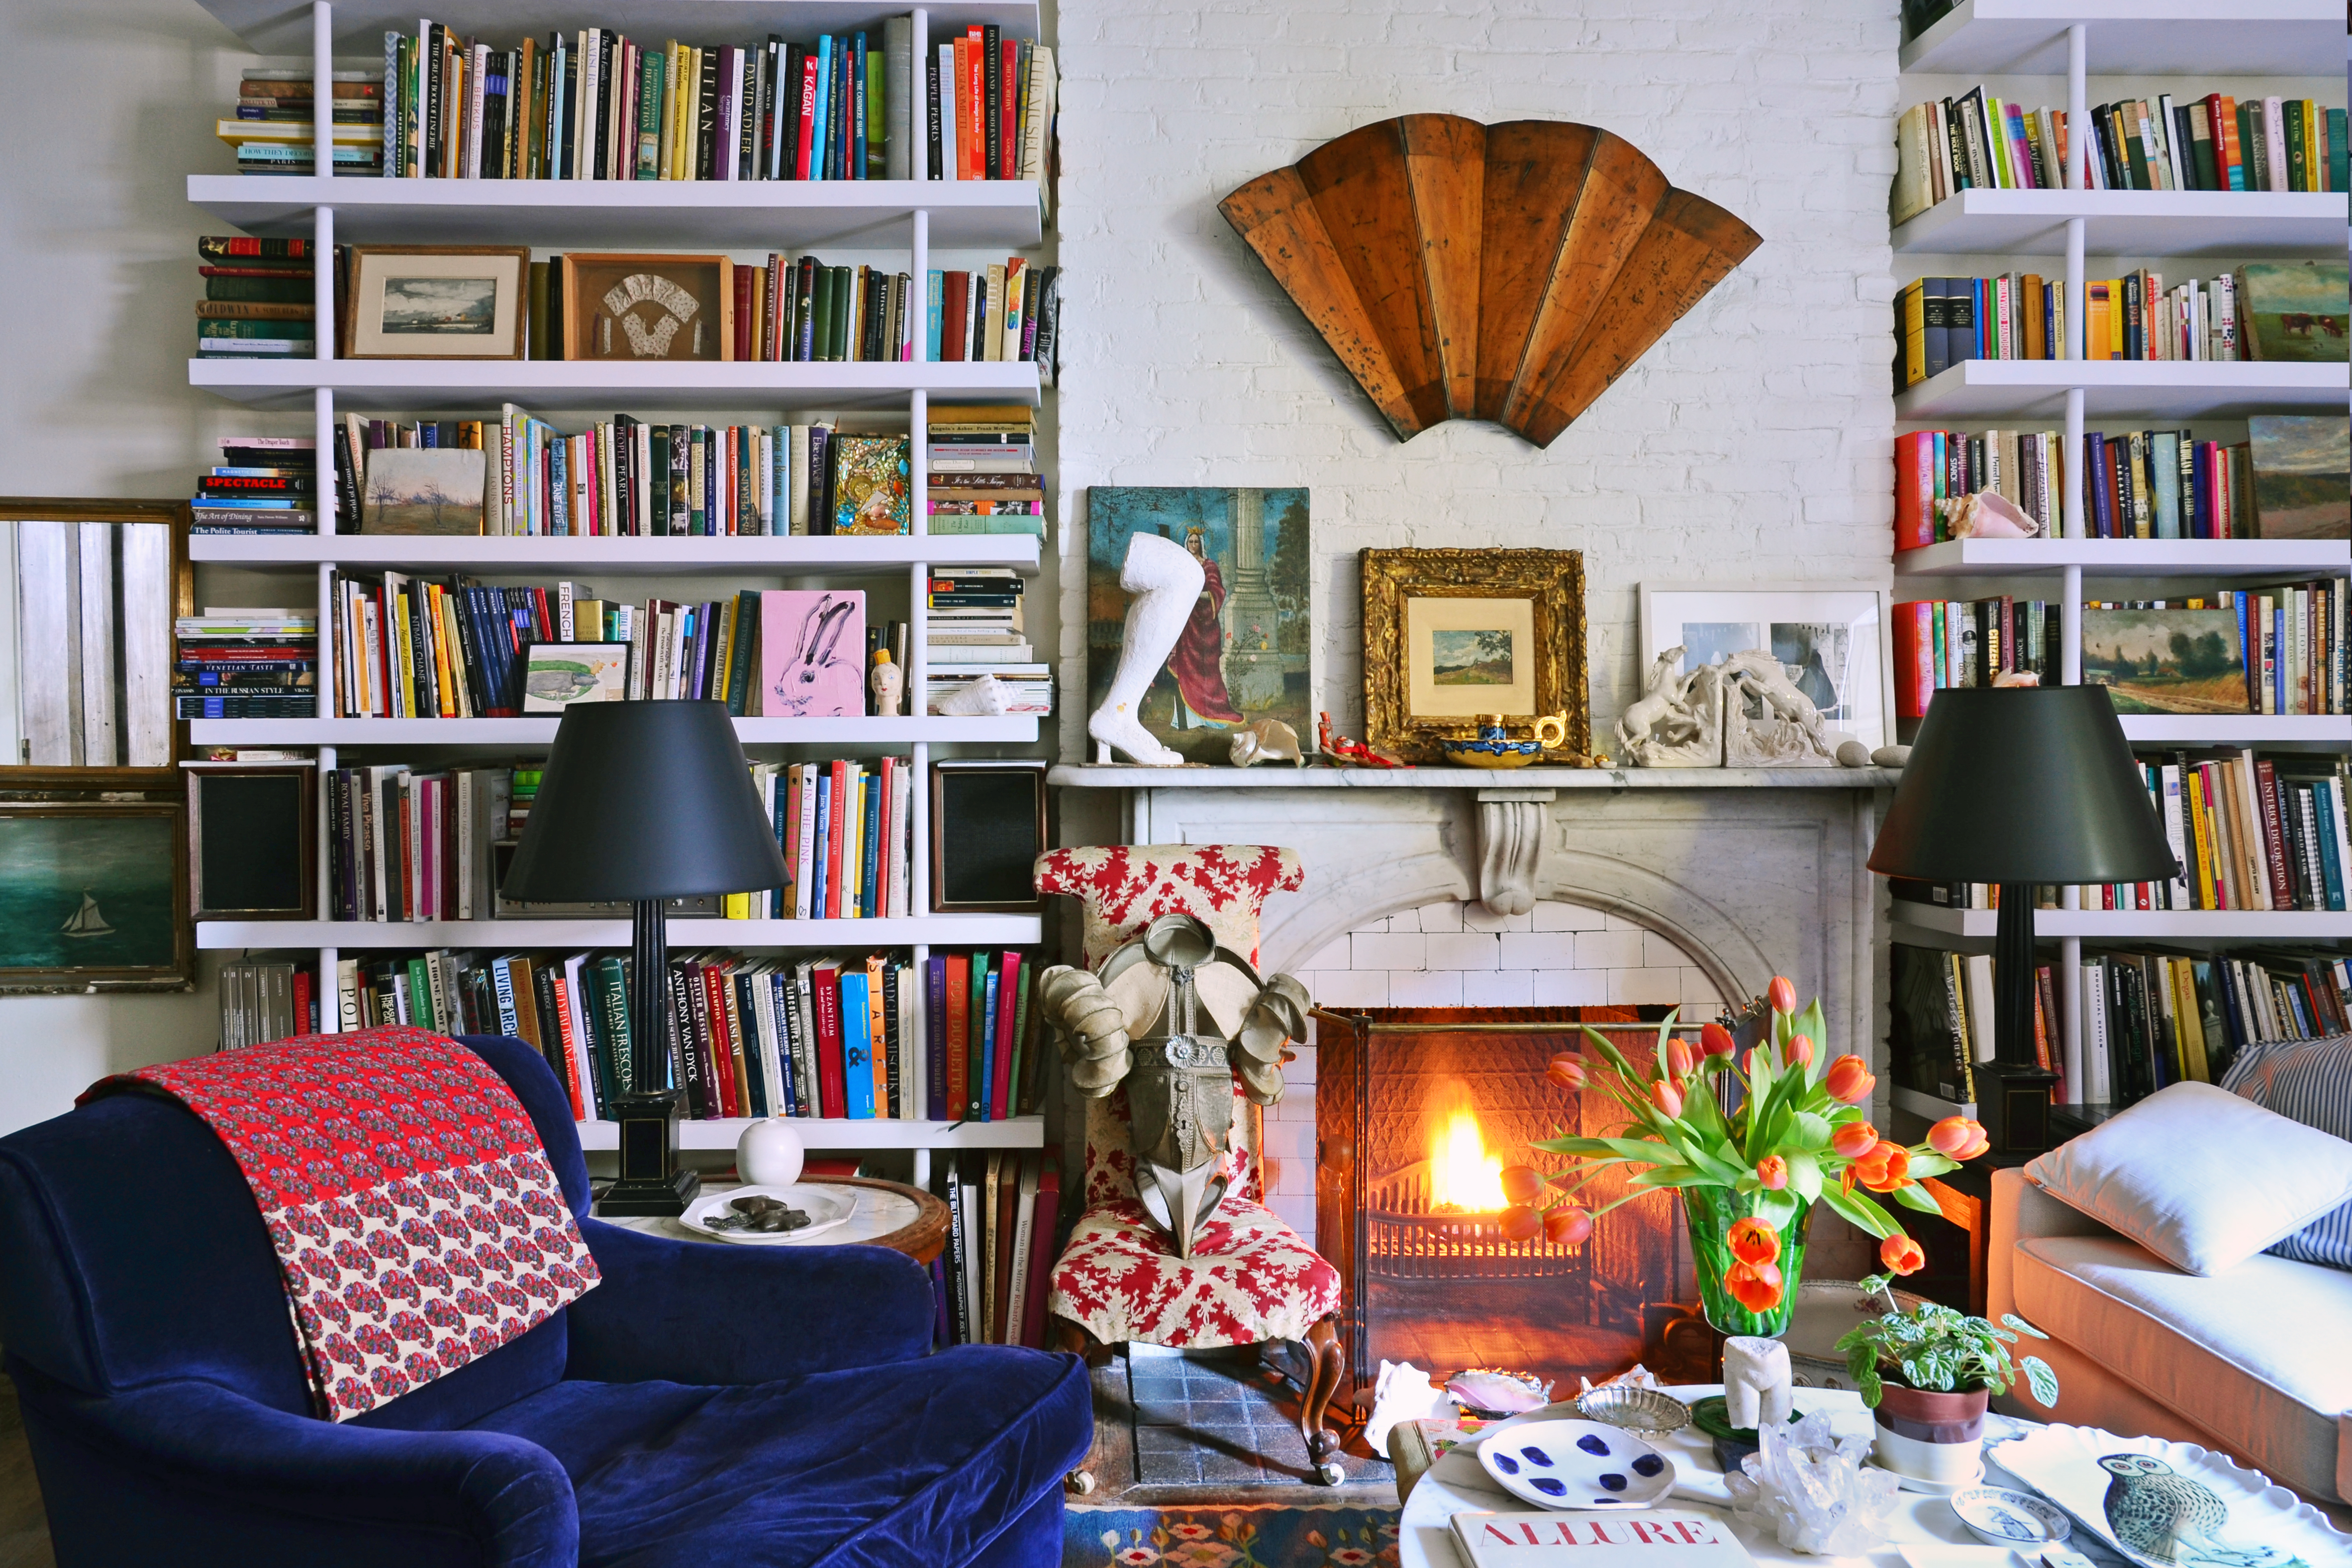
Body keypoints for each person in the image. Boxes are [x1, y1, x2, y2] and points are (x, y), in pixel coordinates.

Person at [1162, 526, 1243, 727]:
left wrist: (1195, 592)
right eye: (1190, 541)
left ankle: (1213, 715)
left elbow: (1217, 591)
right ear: (1186, 544)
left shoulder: (1209, 566)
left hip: (1206, 627)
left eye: (1197, 542)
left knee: (1208, 672)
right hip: (1187, 625)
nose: (1193, 545)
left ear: (1201, 545)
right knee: (1186, 670)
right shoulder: (1182, 565)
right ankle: (1187, 721)